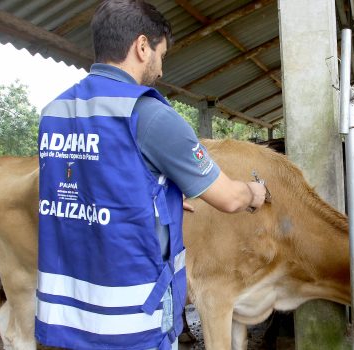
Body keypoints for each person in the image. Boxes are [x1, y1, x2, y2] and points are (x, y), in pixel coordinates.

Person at [35, 1, 267, 349]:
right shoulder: (149, 113)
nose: (160, 68)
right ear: (142, 47)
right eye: (161, 54)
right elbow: (229, 199)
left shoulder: (55, 111)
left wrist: (163, 196)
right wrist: (255, 193)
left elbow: (90, 185)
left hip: (70, 317)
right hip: (131, 320)